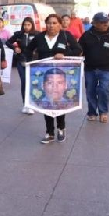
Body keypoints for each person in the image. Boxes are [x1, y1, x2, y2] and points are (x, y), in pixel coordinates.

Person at [25, 14, 82, 144]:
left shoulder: (66, 36)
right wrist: (29, 64)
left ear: (60, 24)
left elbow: (78, 50)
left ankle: (61, 128)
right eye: (49, 23)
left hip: (61, 73)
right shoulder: (39, 37)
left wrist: (64, 54)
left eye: (55, 23)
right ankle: (49, 132)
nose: (51, 25)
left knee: (59, 101)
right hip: (45, 75)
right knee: (47, 102)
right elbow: (28, 49)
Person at [78, 13, 109, 123]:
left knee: (104, 89)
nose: (105, 24)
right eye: (102, 22)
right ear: (95, 23)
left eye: (106, 22)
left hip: (106, 68)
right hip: (90, 68)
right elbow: (79, 49)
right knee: (90, 91)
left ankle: (103, 111)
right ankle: (92, 112)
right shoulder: (87, 35)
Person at [5, 17, 37, 114]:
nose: (26, 27)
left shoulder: (37, 35)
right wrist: (15, 48)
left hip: (33, 62)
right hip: (21, 61)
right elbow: (8, 42)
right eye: (25, 25)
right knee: (24, 81)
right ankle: (25, 105)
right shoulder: (18, 34)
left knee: (31, 83)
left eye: (28, 25)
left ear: (32, 25)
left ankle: (31, 104)